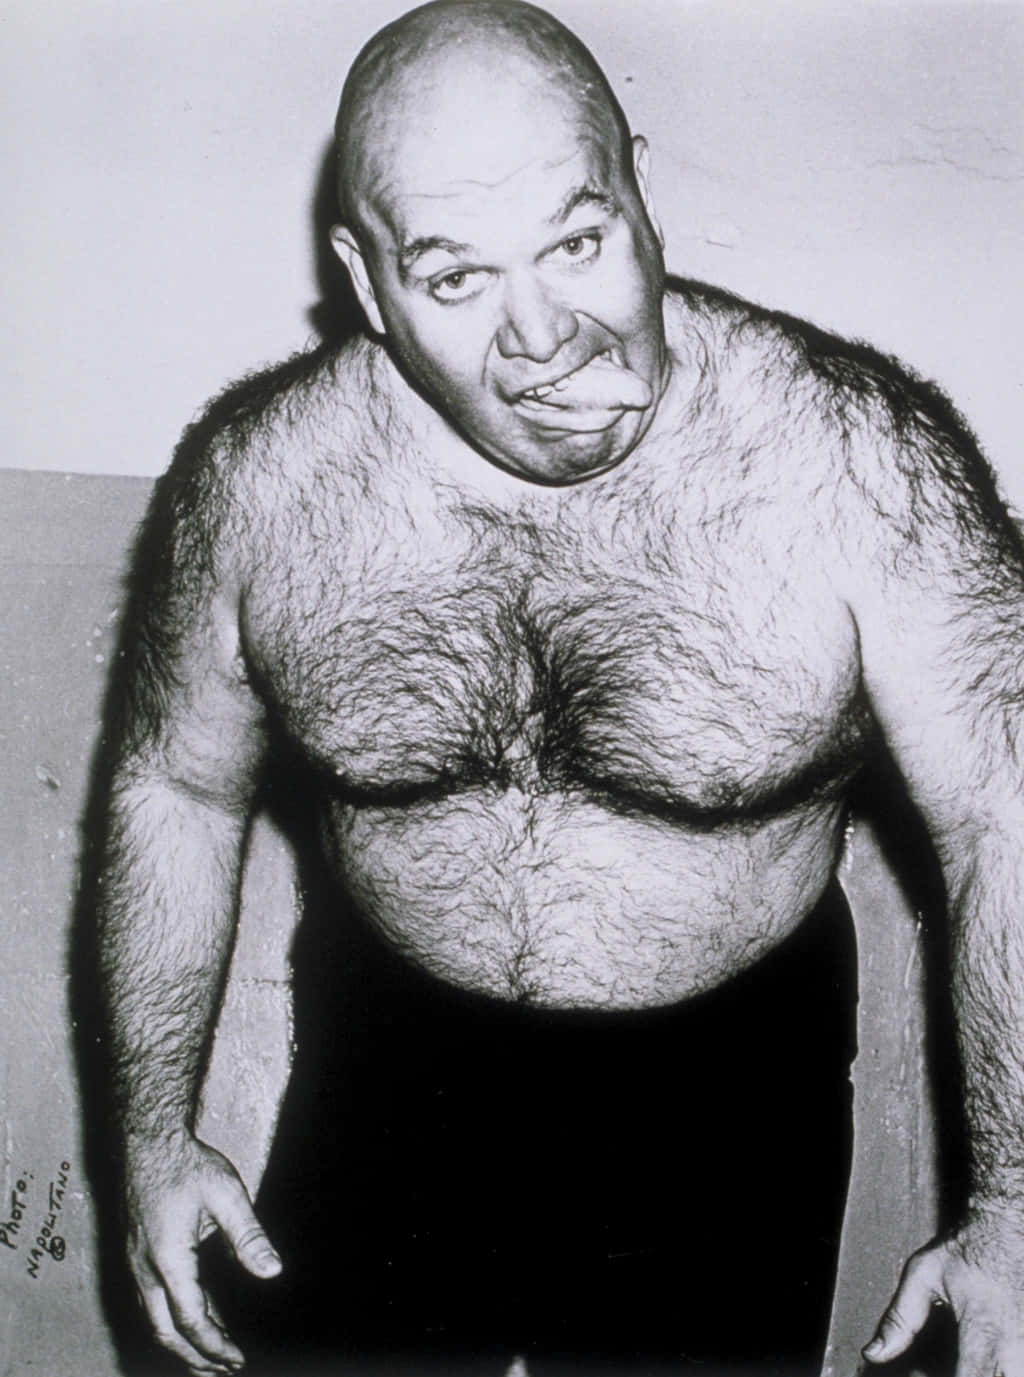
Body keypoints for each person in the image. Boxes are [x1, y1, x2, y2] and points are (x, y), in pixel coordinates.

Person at [91, 2, 1024, 1374]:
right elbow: (172, 787)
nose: (543, 337)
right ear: (366, 282)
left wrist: (1015, 1207)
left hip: (728, 1100)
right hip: (387, 1067)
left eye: (578, 244)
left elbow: (1007, 814)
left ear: (639, 195)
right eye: (456, 278)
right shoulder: (261, 489)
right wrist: (152, 1137)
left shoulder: (856, 469)